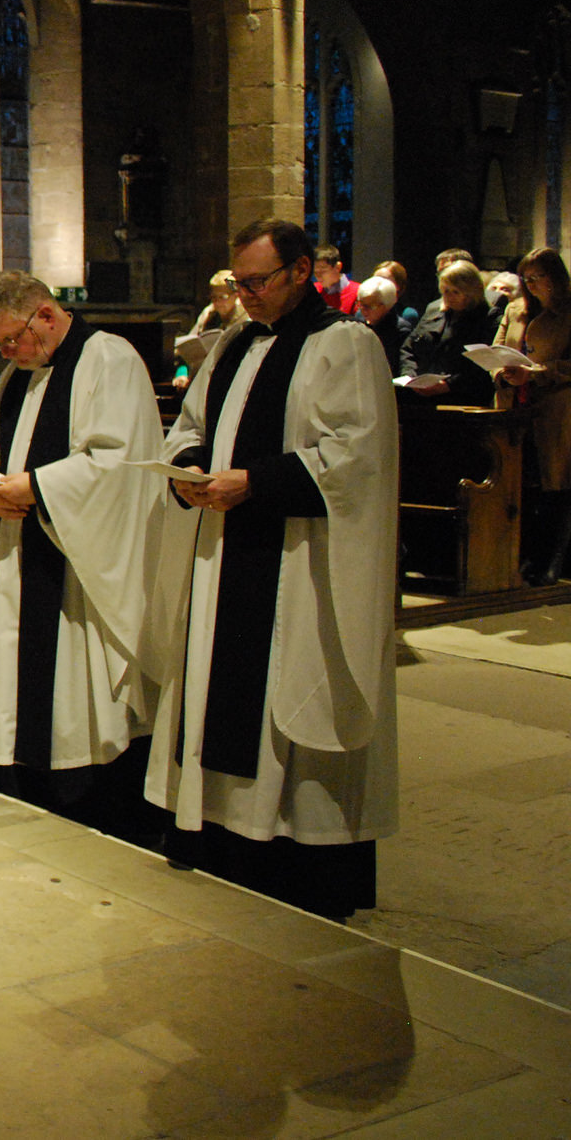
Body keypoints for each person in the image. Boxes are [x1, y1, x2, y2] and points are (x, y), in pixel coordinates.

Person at [149, 219, 398, 919]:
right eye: (240, 281)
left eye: (259, 281)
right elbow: (189, 426)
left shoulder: (345, 343)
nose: (247, 294)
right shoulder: (233, 342)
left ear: (301, 271)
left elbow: (356, 456)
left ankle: (296, 865)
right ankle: (226, 842)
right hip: (223, 552)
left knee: (289, 698)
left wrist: (254, 481)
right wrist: (190, 470)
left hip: (297, 562)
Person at [0, 271, 164, 838]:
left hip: (80, 566)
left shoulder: (108, 359)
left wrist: (38, 487)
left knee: (79, 701)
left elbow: (118, 463)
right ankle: (31, 796)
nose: (7, 353)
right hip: (23, 556)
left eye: (12, 339)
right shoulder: (17, 374)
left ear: (45, 313)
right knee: (26, 695)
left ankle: (95, 808)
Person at [494, 247, 571, 584]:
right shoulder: (515, 309)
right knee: (519, 486)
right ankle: (522, 558)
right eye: (526, 278)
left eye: (537, 277)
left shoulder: (567, 313)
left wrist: (537, 373)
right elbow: (497, 348)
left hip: (555, 410)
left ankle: (555, 561)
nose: (531, 284)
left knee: (555, 487)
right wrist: (500, 372)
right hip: (515, 407)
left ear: (555, 278)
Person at [399, 260, 496, 407]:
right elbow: (409, 348)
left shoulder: (487, 317)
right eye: (445, 291)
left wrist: (449, 384)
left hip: (462, 400)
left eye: (455, 292)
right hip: (421, 397)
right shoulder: (434, 310)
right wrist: (409, 376)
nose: (449, 297)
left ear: (471, 292)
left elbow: (482, 364)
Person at [171, 270, 245, 391]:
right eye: (213, 297)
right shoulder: (208, 314)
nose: (217, 302)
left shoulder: (246, 317)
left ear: (236, 295)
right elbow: (185, 350)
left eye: (223, 297)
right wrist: (182, 374)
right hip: (201, 380)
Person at [353, 275, 406, 374]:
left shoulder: (400, 330)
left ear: (387, 305)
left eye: (370, 306)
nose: (364, 311)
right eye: (361, 304)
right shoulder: (358, 321)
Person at [371, 260, 417, 335]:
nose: (376, 284)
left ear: (398, 285)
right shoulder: (362, 313)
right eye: (375, 279)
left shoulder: (408, 315)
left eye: (384, 280)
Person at [312, 245, 357, 313]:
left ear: (338, 267)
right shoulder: (313, 291)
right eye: (315, 272)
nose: (318, 276)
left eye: (322, 271)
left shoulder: (356, 292)